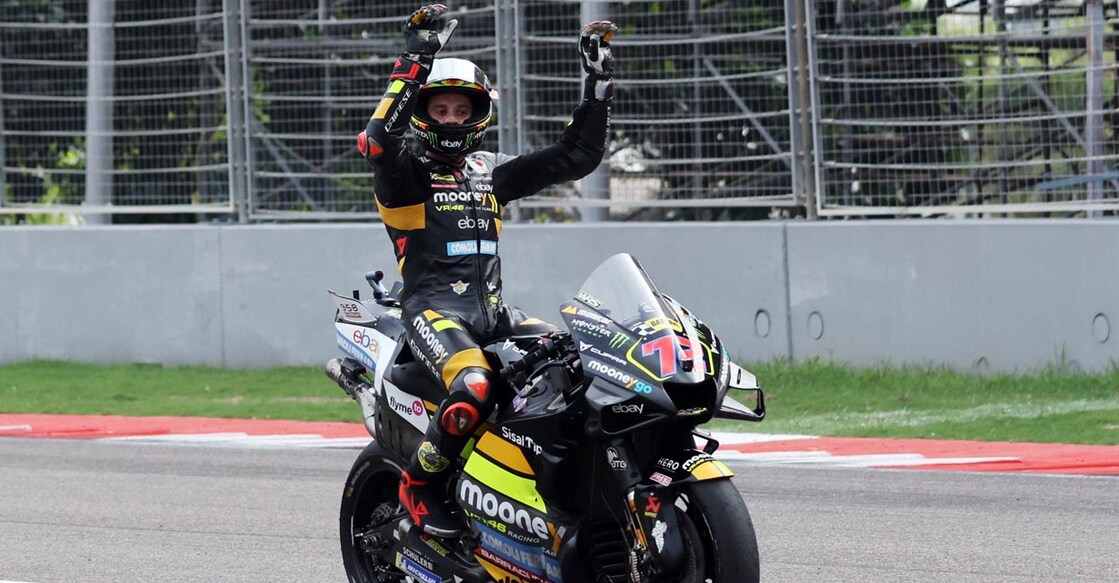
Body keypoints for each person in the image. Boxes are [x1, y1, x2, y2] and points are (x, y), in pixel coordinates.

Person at [357, 3, 617, 538]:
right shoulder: (404, 174)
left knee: (584, 362)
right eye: (440, 109)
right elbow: (377, 141)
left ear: (479, 114)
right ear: (423, 114)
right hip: (432, 312)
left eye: (462, 109)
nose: (452, 119)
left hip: (496, 316)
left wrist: (597, 84)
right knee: (475, 386)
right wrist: (416, 58)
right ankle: (421, 484)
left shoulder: (490, 171)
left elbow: (578, 156)